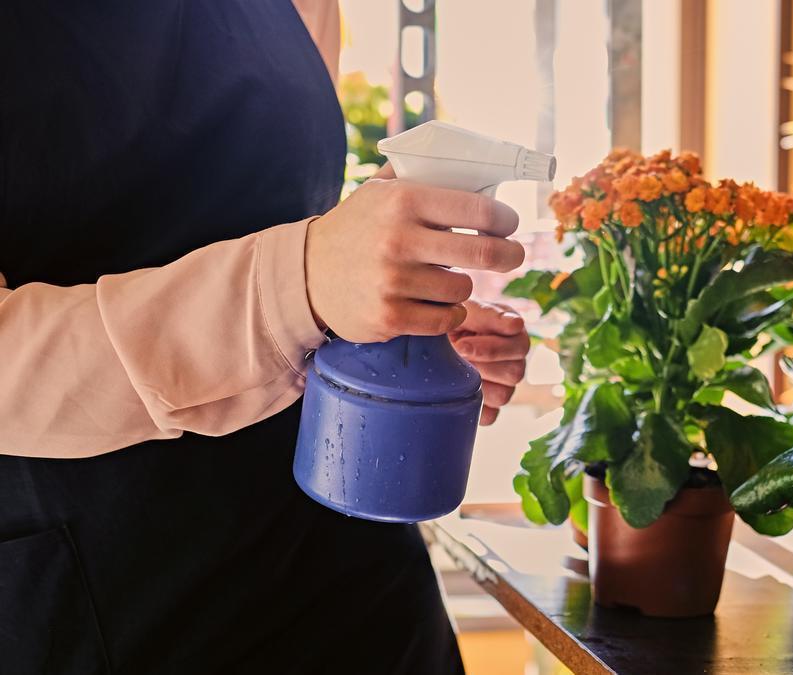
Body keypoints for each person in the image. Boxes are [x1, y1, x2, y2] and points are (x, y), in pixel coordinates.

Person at [0, 1, 531, 672]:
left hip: (352, 575)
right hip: (112, 598)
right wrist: (299, 284)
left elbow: (283, 225)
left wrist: (380, 331)